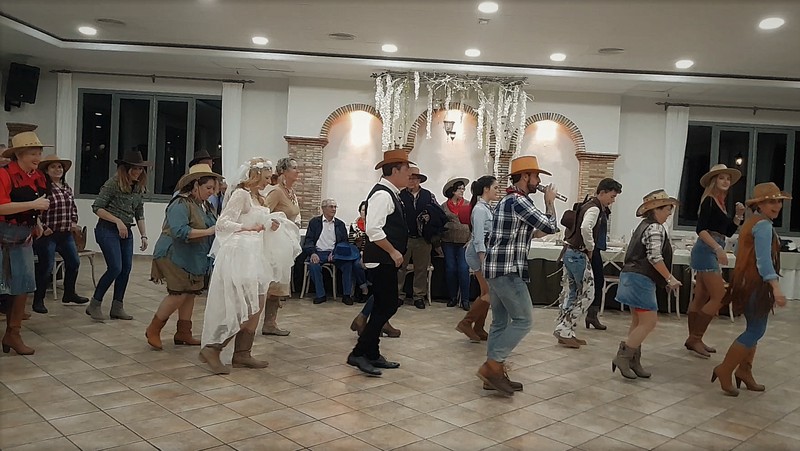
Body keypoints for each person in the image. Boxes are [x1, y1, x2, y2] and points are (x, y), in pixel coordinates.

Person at [199, 158, 300, 374]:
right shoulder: (241, 194)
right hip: (241, 253)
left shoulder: (259, 197)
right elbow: (223, 223)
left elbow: (259, 222)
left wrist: (270, 224)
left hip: (256, 254)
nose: (268, 182)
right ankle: (213, 348)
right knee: (243, 304)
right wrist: (248, 227)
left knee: (257, 303)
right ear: (255, 175)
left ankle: (242, 353)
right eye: (266, 177)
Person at [477, 156, 558, 396]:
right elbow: (550, 225)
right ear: (524, 177)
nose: (539, 181)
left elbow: (520, 232)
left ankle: (494, 374)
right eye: (536, 176)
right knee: (524, 320)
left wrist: (533, 233)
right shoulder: (519, 200)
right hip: (507, 269)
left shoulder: (509, 200)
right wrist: (550, 203)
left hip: (497, 268)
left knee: (500, 322)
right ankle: (492, 367)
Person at [712, 182, 790, 396]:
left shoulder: (750, 223)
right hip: (755, 285)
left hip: (745, 283)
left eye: (778, 201)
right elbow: (764, 261)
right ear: (760, 205)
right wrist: (776, 287)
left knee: (754, 328)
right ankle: (725, 369)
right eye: (771, 202)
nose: (777, 206)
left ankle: (744, 371)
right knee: (756, 330)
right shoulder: (763, 226)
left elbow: (739, 251)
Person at [347, 149, 411, 376]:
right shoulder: (383, 195)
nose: (409, 175)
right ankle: (359, 352)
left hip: (385, 259)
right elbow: (373, 229)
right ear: (394, 171)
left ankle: (372, 353)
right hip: (381, 258)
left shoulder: (391, 193)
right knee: (388, 304)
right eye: (406, 171)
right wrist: (393, 251)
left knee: (384, 305)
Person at [146, 164, 220, 350]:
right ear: (195, 185)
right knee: (178, 294)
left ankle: (183, 333)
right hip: (174, 254)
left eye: (213, 188)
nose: (211, 192)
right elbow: (180, 231)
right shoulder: (180, 204)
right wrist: (208, 231)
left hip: (193, 256)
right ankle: (153, 329)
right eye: (208, 188)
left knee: (190, 293)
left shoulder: (205, 205)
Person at [612, 189, 681, 380]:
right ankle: (623, 357)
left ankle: (633, 360)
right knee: (649, 322)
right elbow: (655, 257)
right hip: (640, 279)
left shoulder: (644, 226)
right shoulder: (655, 228)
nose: (669, 213)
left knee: (638, 321)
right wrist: (670, 278)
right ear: (656, 209)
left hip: (632, 277)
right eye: (667, 209)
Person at [685, 164, 745, 358]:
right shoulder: (709, 200)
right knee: (719, 295)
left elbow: (727, 231)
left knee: (702, 296)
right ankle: (695, 338)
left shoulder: (720, 202)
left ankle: (694, 339)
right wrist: (718, 249)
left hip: (709, 247)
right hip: (706, 249)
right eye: (721, 178)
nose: (726, 181)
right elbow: (701, 230)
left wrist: (738, 216)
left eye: (728, 178)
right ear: (713, 181)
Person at [554, 178, 622, 348]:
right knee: (587, 294)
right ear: (602, 192)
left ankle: (566, 331)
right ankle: (564, 328)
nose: (613, 201)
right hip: (578, 254)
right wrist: (590, 247)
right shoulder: (594, 208)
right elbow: (585, 227)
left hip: (571, 253)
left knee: (573, 293)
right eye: (612, 196)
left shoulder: (589, 205)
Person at [0, 132, 50, 355]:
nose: (38, 157)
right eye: (33, 153)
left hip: (23, 238)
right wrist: (33, 204)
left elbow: (36, 205)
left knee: (23, 286)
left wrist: (36, 221)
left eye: (39, 153)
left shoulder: (37, 176)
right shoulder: (4, 175)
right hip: (2, 236)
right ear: (19, 154)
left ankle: (13, 334)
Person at [86, 150, 150, 321]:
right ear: (125, 168)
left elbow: (139, 212)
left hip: (126, 231)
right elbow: (97, 207)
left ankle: (117, 306)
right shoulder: (112, 184)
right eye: (134, 168)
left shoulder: (138, 187)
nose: (138, 172)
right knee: (115, 267)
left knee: (125, 269)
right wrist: (117, 221)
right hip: (107, 229)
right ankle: (95, 303)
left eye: (140, 169)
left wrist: (144, 235)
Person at [32, 154, 90, 314]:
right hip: (48, 235)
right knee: (46, 267)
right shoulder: (42, 188)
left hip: (65, 234)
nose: (57, 170)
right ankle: (38, 300)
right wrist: (43, 226)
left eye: (60, 167)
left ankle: (69, 294)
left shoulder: (66, 187)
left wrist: (73, 222)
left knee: (74, 262)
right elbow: (34, 210)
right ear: (46, 170)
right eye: (53, 167)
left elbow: (72, 208)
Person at [456, 175, 499, 342]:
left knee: (485, 292)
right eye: (495, 187)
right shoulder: (480, 210)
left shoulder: (487, 208)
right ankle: (466, 323)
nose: (498, 191)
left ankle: (479, 327)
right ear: (486, 189)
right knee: (489, 292)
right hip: (478, 255)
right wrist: (483, 259)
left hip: (483, 253)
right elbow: (479, 238)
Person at [261, 157, 301, 336]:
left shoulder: (291, 192)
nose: (297, 171)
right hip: (275, 243)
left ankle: (270, 323)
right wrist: (273, 222)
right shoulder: (276, 191)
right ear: (284, 171)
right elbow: (263, 212)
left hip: (286, 242)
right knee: (273, 283)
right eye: (294, 168)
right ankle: (260, 322)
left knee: (280, 284)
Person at [304, 198, 366, 305]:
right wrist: (312, 253)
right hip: (318, 252)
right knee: (314, 265)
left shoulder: (340, 224)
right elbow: (308, 240)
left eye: (335, 207)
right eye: (331, 207)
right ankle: (320, 295)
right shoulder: (314, 222)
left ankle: (346, 295)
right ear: (323, 208)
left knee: (347, 264)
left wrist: (335, 252)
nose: (334, 209)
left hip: (335, 252)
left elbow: (344, 242)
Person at [396, 166, 441, 309]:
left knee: (421, 269)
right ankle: (398, 295)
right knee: (400, 268)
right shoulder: (399, 195)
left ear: (419, 180)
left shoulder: (429, 195)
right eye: (409, 178)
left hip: (423, 239)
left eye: (414, 179)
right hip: (404, 238)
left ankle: (419, 296)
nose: (411, 181)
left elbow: (438, 214)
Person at [441, 177, 472, 310]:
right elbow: (440, 223)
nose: (462, 191)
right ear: (452, 191)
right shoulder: (444, 206)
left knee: (463, 269)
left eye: (463, 189)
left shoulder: (468, 205)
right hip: (448, 241)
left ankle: (465, 299)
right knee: (450, 269)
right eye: (460, 189)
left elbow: (473, 223)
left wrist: (471, 239)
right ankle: (452, 297)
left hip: (464, 242)